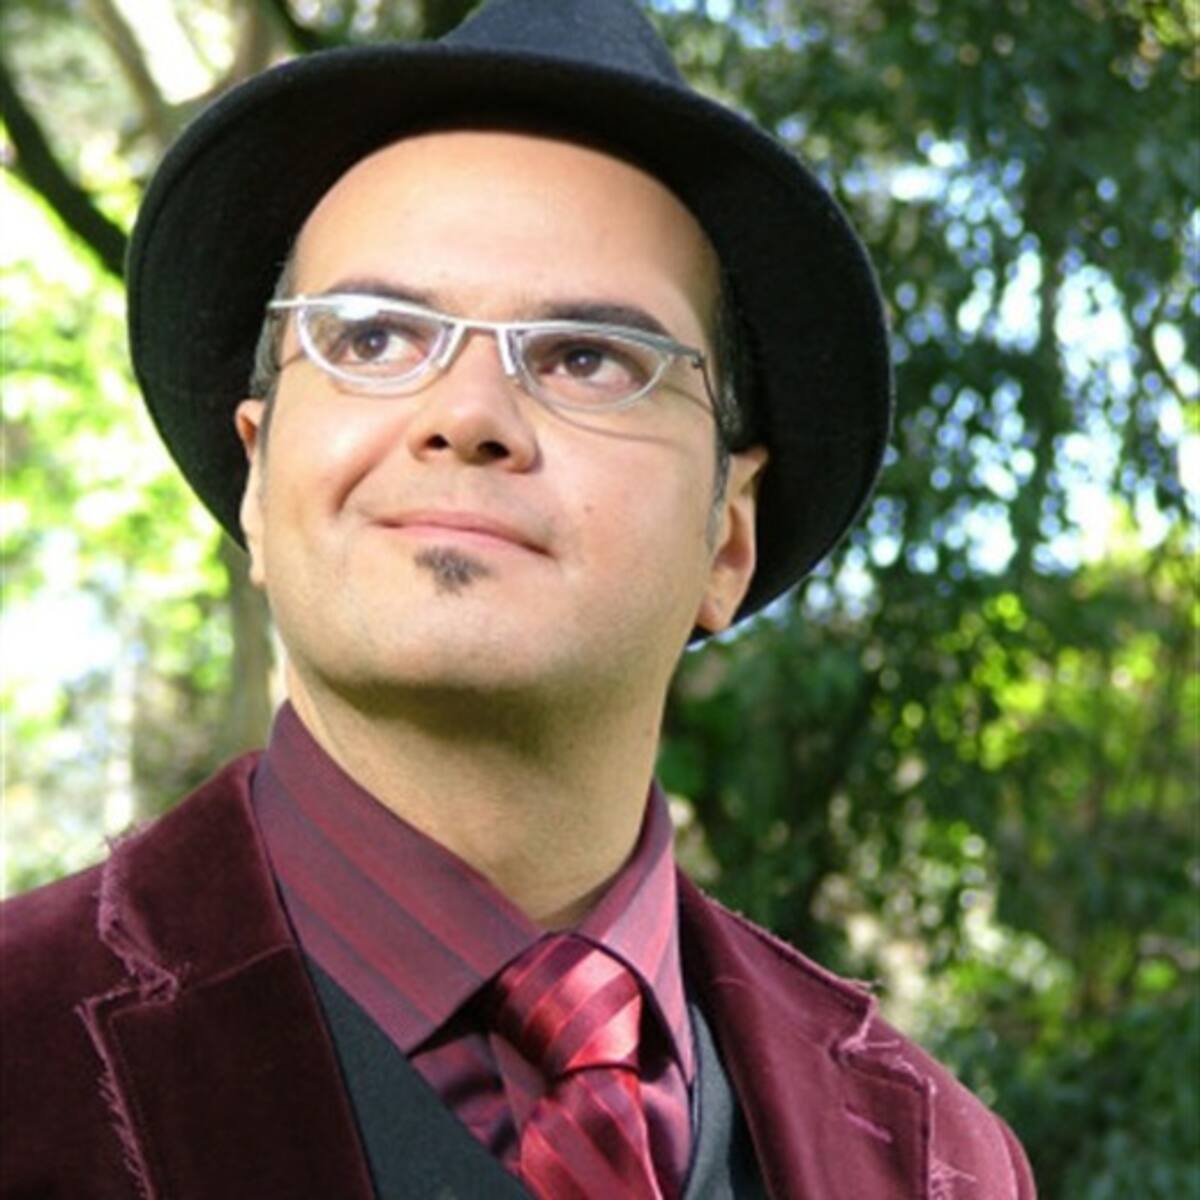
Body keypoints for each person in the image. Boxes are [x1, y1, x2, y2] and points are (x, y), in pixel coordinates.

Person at [0, 1, 1036, 1196]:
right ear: (257, 480)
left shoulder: (936, 1158)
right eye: (373, 339)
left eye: (587, 359)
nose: (466, 415)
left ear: (727, 538)